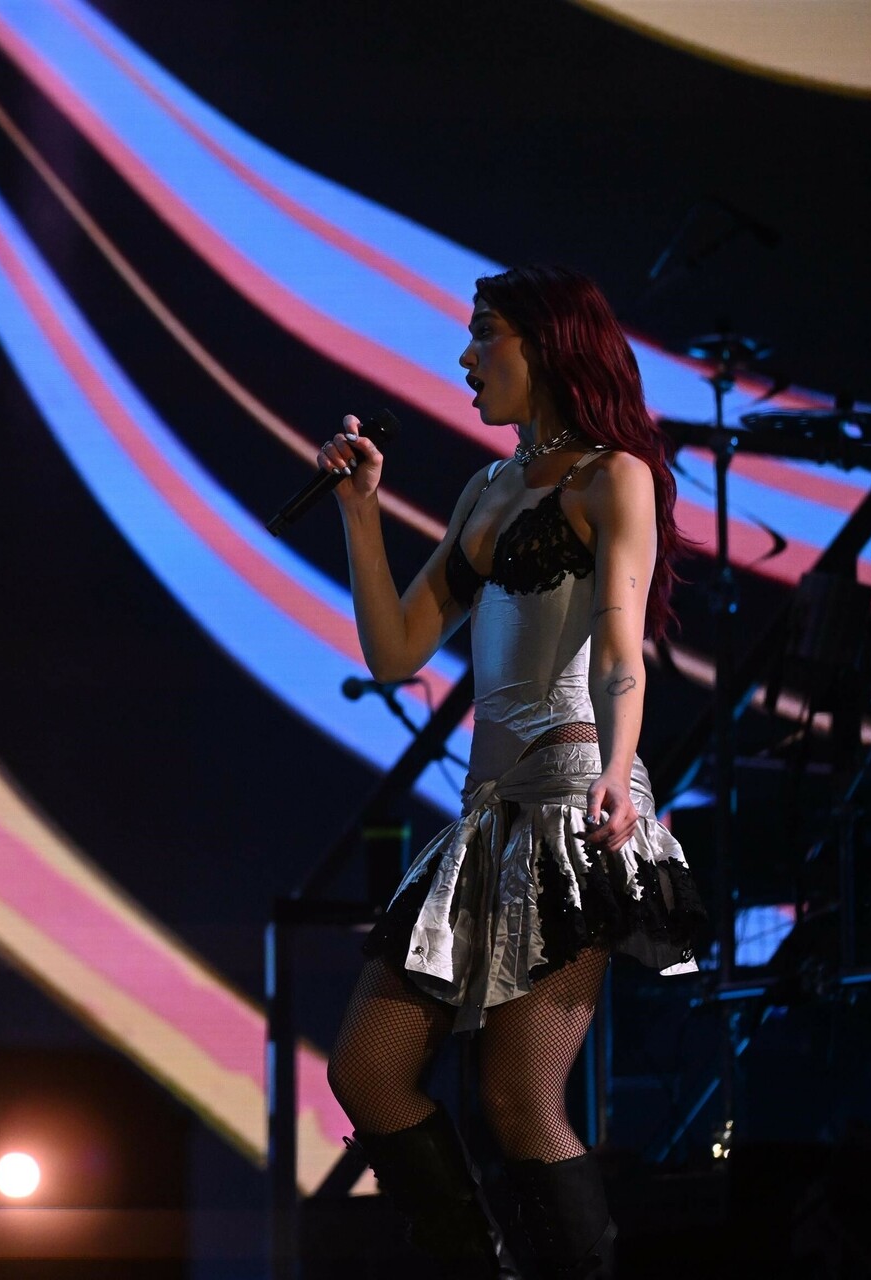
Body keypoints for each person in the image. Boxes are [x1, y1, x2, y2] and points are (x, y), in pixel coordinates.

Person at [318, 265, 709, 1279]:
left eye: (484, 332)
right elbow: (397, 649)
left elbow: (620, 650)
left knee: (519, 1096)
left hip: (574, 803)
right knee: (368, 1070)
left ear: (548, 344)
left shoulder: (612, 476)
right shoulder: (486, 490)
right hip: (487, 815)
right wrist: (361, 512)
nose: (465, 355)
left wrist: (619, 767)